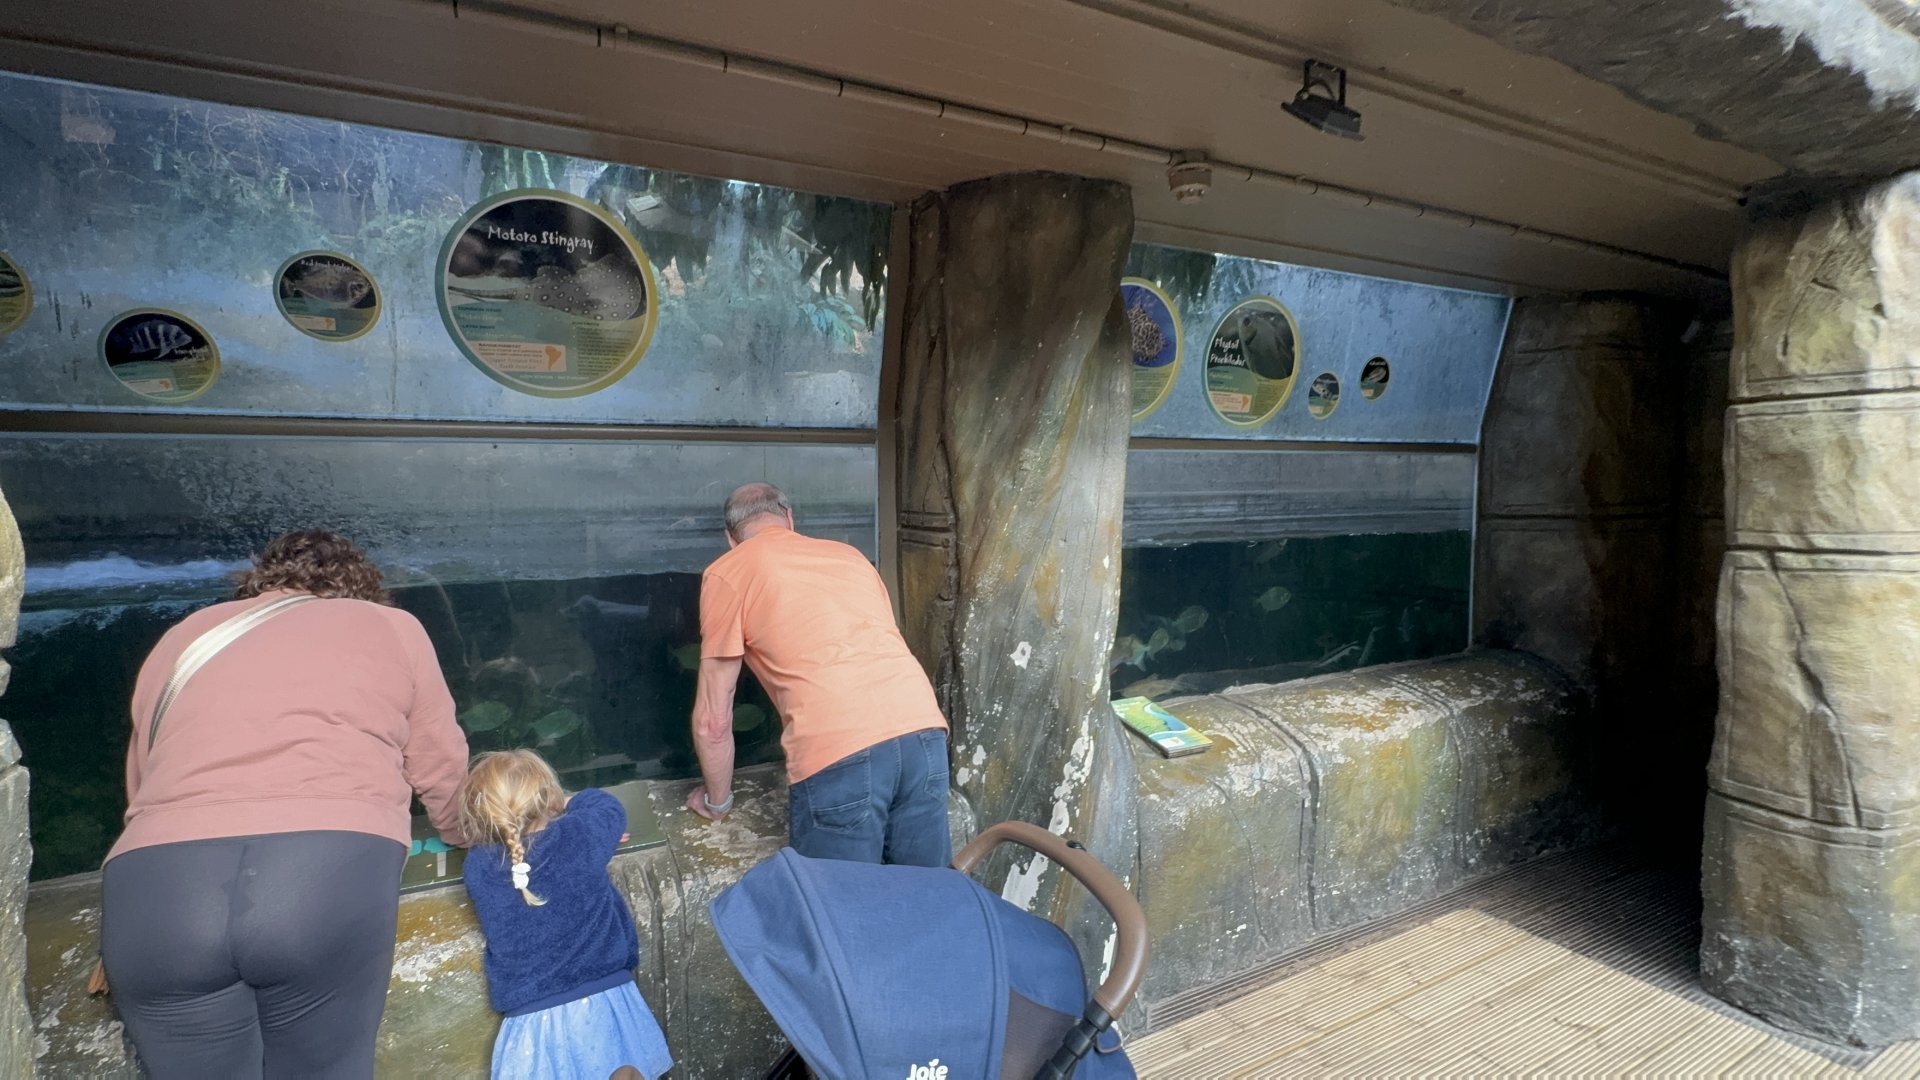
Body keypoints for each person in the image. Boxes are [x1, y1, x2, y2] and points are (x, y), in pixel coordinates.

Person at [99, 529, 471, 1080]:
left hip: (157, 889)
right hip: (322, 871)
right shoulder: (392, 625)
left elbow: (145, 776)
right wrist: (468, 834)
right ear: (363, 584)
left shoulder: (186, 634)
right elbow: (439, 764)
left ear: (258, 579)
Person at [686, 482, 952, 867]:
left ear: (731, 538)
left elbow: (713, 720)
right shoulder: (850, 556)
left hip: (838, 745)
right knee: (926, 893)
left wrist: (717, 801)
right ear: (789, 518)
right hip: (924, 731)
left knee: (839, 899)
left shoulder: (728, 571)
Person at [459, 750, 673, 1080]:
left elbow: (519, 856)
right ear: (547, 797)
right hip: (606, 1002)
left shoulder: (477, 866)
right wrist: (568, 804)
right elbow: (608, 808)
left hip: (530, 1021)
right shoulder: (580, 835)